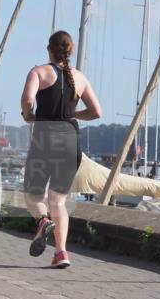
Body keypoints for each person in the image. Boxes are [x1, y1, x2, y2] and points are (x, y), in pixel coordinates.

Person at [20, 31, 101, 268]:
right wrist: (72, 113)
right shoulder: (80, 77)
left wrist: (29, 116)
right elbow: (96, 112)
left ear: (49, 49)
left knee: (33, 195)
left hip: (45, 138)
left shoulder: (38, 72)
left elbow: (27, 100)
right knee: (58, 201)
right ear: (69, 51)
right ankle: (61, 253)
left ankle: (43, 221)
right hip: (70, 140)